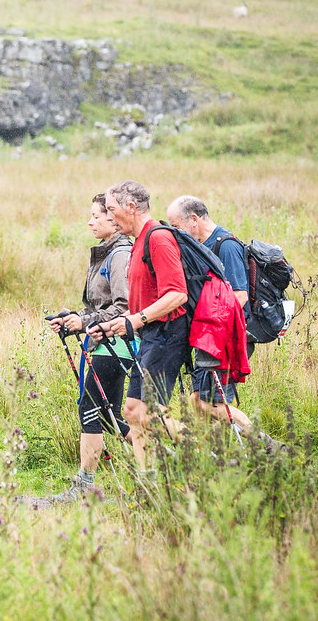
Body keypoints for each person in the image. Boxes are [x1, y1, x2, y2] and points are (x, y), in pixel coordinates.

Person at [87, 180, 188, 474]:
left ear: (131, 208)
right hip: (150, 335)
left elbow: (177, 294)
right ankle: (147, 481)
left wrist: (137, 319)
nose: (108, 216)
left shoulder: (157, 238)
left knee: (144, 413)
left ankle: (207, 450)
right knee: (133, 412)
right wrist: (119, 324)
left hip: (168, 335)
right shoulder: (140, 241)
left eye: (111, 209)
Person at [47, 194, 133, 502]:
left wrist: (83, 322)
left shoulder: (121, 254)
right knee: (111, 418)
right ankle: (165, 460)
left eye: (96, 216)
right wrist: (72, 319)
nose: (90, 221)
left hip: (118, 344)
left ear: (113, 219)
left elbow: (124, 307)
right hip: (102, 342)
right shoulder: (105, 253)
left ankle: (85, 485)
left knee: (90, 408)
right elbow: (99, 305)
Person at [165, 196, 258, 434]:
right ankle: (223, 452)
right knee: (199, 402)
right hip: (208, 338)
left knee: (210, 403)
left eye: (175, 226)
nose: (173, 233)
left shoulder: (225, 245)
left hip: (225, 338)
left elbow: (240, 296)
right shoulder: (200, 246)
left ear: (193, 220)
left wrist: (209, 324)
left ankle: (265, 445)